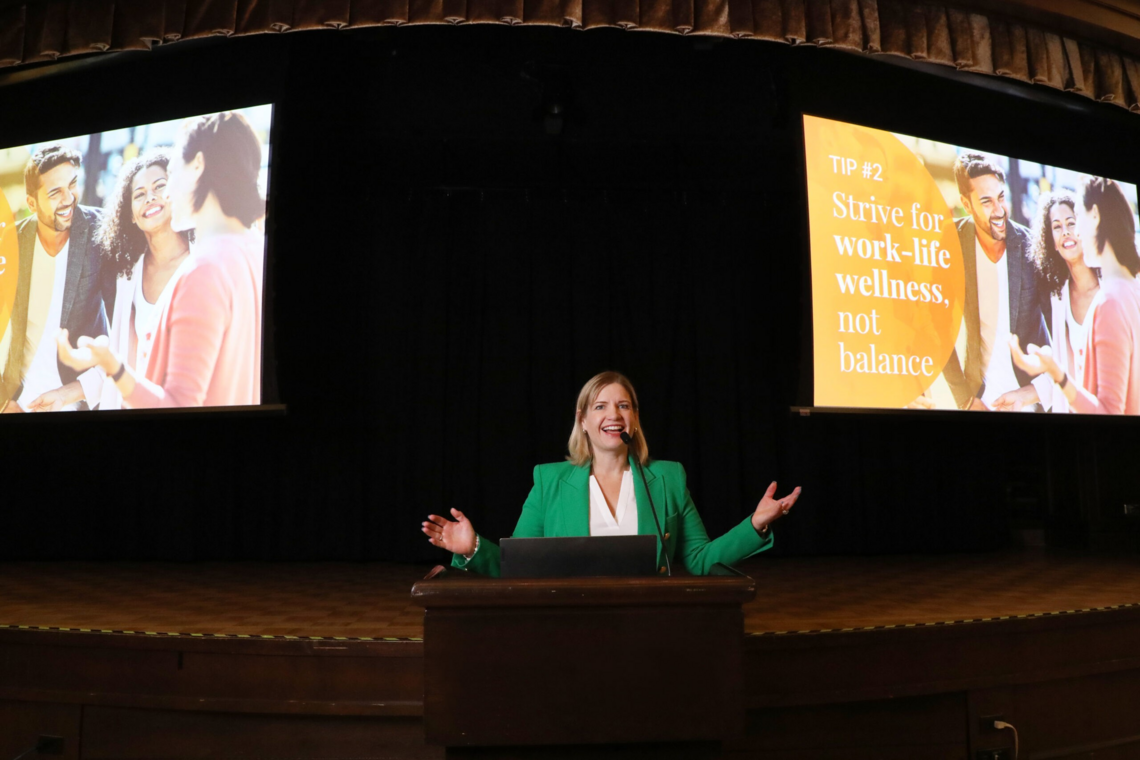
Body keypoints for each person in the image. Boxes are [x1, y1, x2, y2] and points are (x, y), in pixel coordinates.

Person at [421, 371, 802, 577]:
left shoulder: (668, 478)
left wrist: (755, 524)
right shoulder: (549, 481)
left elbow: (701, 560)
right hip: (569, 622)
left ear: (634, 419)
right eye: (600, 406)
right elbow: (520, 566)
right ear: (583, 421)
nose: (613, 415)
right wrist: (472, 547)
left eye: (624, 405)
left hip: (648, 623)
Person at [57, 112, 264, 408]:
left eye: (170, 174)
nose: (158, 195)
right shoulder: (253, 250)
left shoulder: (205, 269)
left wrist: (113, 366)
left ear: (198, 166)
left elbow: (176, 406)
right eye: (139, 194)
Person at [1011, 177, 1140, 414]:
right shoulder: (1058, 298)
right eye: (1057, 227)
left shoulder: (1112, 298)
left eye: (1075, 220)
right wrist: (1028, 391)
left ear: (1095, 218)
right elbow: (1075, 374)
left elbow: (1108, 411)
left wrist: (1058, 375)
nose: (1071, 232)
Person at [0, 146, 110, 412]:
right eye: (55, 192)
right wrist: (6, 400)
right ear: (32, 204)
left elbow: (120, 334)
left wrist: (69, 394)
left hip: (78, 398)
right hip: (18, 401)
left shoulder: (102, 231)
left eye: (72, 184)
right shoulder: (10, 243)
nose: (69, 198)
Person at [940, 153, 1052, 412]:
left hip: (1026, 396)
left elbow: (1058, 325)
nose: (1000, 210)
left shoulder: (1030, 246)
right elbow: (938, 330)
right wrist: (965, 400)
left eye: (1001, 197)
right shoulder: (951, 243)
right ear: (966, 205)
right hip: (977, 396)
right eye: (986, 202)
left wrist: (1037, 392)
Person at [92, 151, 193, 410]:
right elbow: (124, 363)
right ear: (131, 216)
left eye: (160, 186)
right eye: (139, 194)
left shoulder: (204, 259)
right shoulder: (127, 278)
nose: (150, 197)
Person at [1028, 192, 1100, 413]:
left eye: (1071, 223)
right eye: (1057, 227)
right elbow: (1063, 374)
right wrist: (1020, 397)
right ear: (1053, 244)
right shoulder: (1058, 299)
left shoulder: (1118, 280)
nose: (1066, 231)